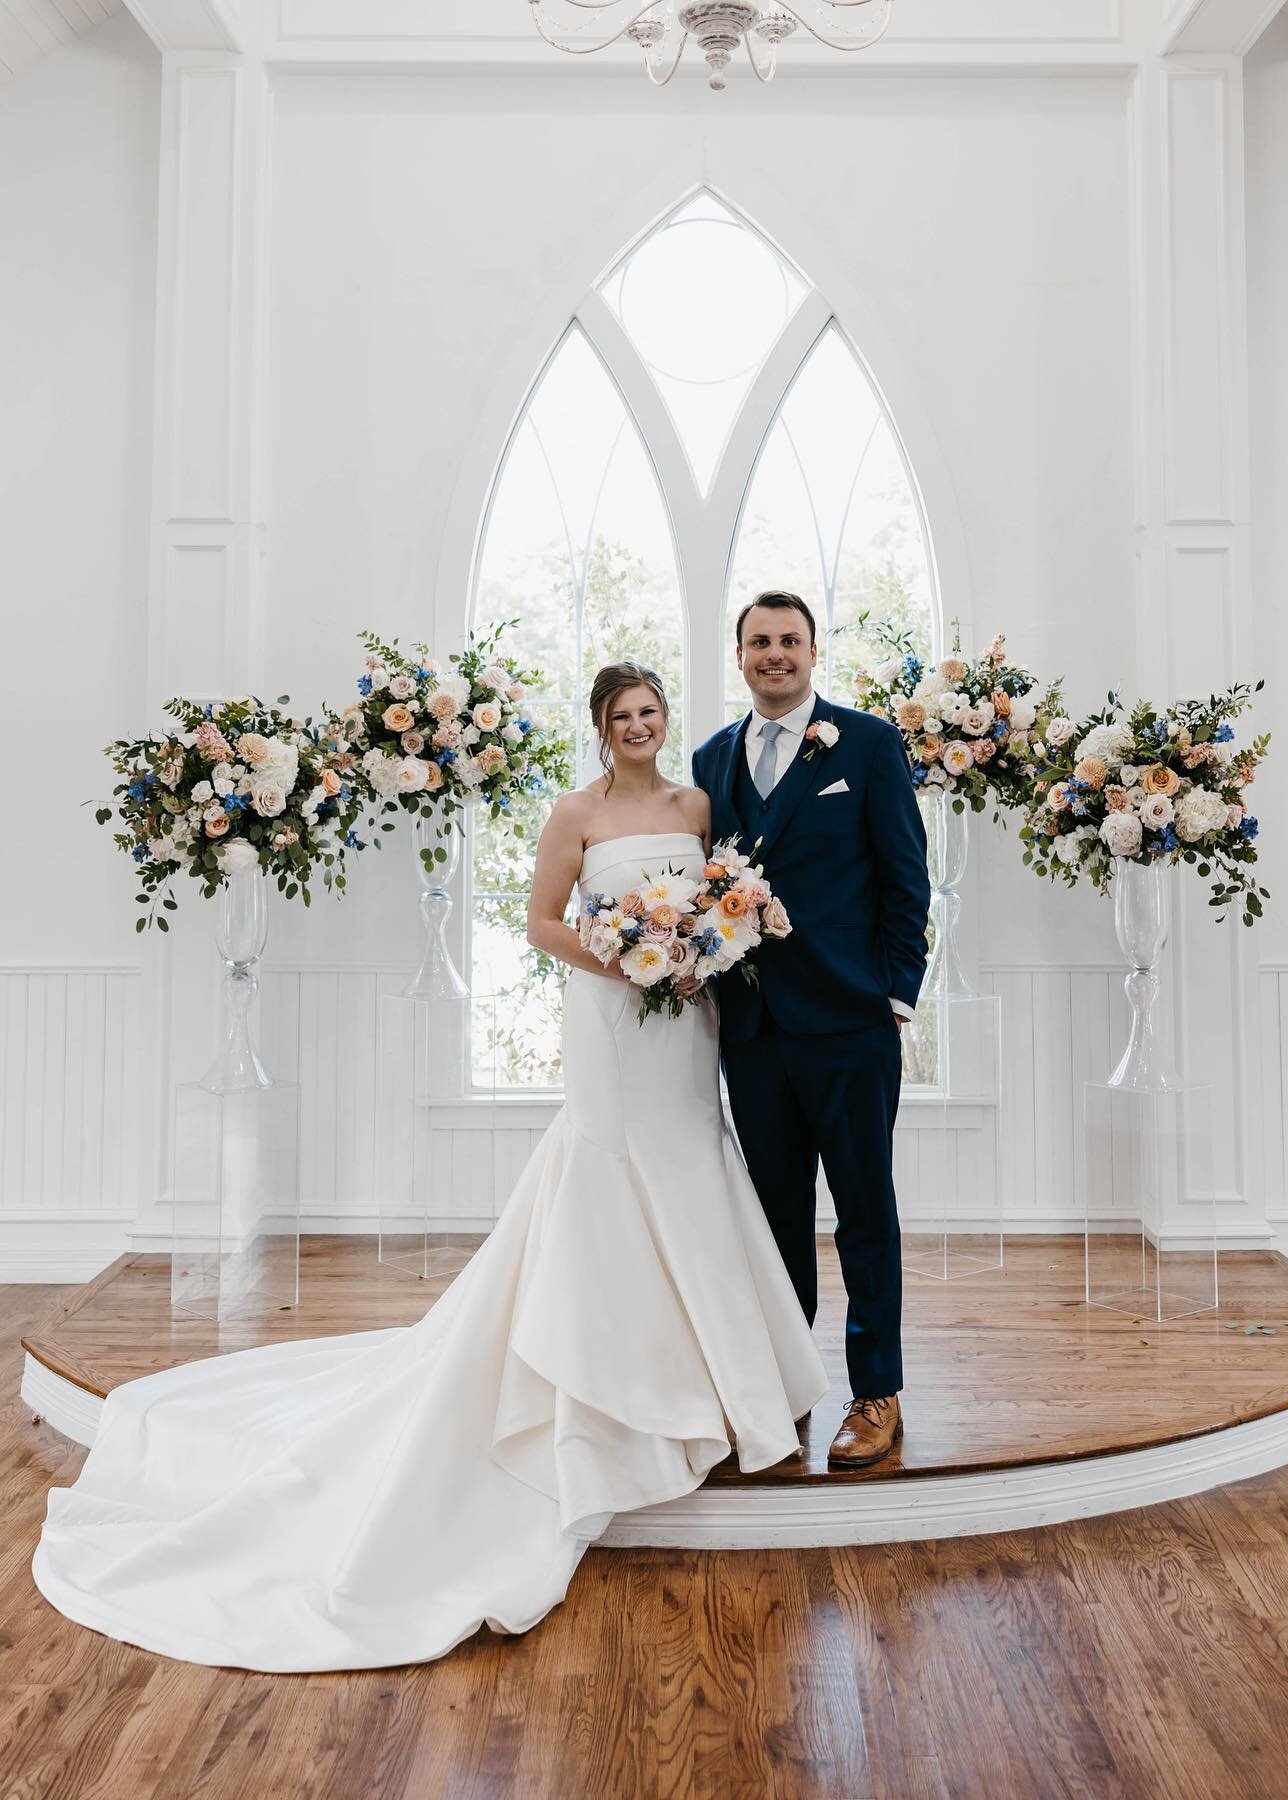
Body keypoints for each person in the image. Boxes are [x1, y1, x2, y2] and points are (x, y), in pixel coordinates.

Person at [30, 662, 827, 1673]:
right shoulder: (571, 813)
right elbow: (543, 921)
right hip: (615, 1022)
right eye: (622, 715)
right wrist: (623, 958)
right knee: (612, 1171)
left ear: (665, 722)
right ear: (599, 727)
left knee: (692, 1170)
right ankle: (607, 1393)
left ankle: (719, 1389)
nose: (639, 726)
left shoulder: (696, 801)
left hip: (685, 1026)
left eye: (651, 712)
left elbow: (715, 895)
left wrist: (694, 945)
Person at [692, 592, 930, 1468]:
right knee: (776, 1218)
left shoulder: (865, 744)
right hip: (752, 1031)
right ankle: (787, 1390)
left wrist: (895, 996)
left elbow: (908, 881)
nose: (775, 655)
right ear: (740, 653)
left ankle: (877, 1393)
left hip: (849, 1024)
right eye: (760, 641)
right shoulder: (710, 758)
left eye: (790, 640)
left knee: (866, 1213)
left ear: (813, 651)